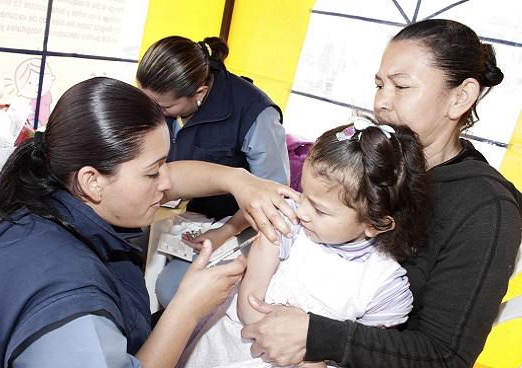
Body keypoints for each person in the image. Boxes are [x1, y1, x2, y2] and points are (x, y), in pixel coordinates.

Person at [239, 19, 522, 367]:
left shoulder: (485, 209)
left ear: (460, 97)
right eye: (379, 85)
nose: (382, 103)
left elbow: (446, 356)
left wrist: (318, 337)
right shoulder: (374, 162)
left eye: (401, 87)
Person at [0, 77, 298, 368]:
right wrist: (186, 309)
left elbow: (175, 178)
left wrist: (238, 179)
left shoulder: (45, 193)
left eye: (166, 162)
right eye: (153, 171)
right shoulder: (71, 297)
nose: (166, 183)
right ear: (92, 181)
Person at [177, 117, 432, 368]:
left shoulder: (385, 288)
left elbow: (363, 353)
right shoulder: (285, 225)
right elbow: (249, 300)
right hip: (231, 347)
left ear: (375, 224)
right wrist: (303, 356)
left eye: (320, 210)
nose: (302, 212)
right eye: (304, 195)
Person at [136, 36, 290, 307]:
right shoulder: (166, 100)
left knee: (173, 290)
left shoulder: (256, 114)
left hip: (237, 221)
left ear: (200, 93)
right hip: (177, 210)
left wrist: (226, 231)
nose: (153, 112)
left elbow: (272, 196)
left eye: (163, 107)